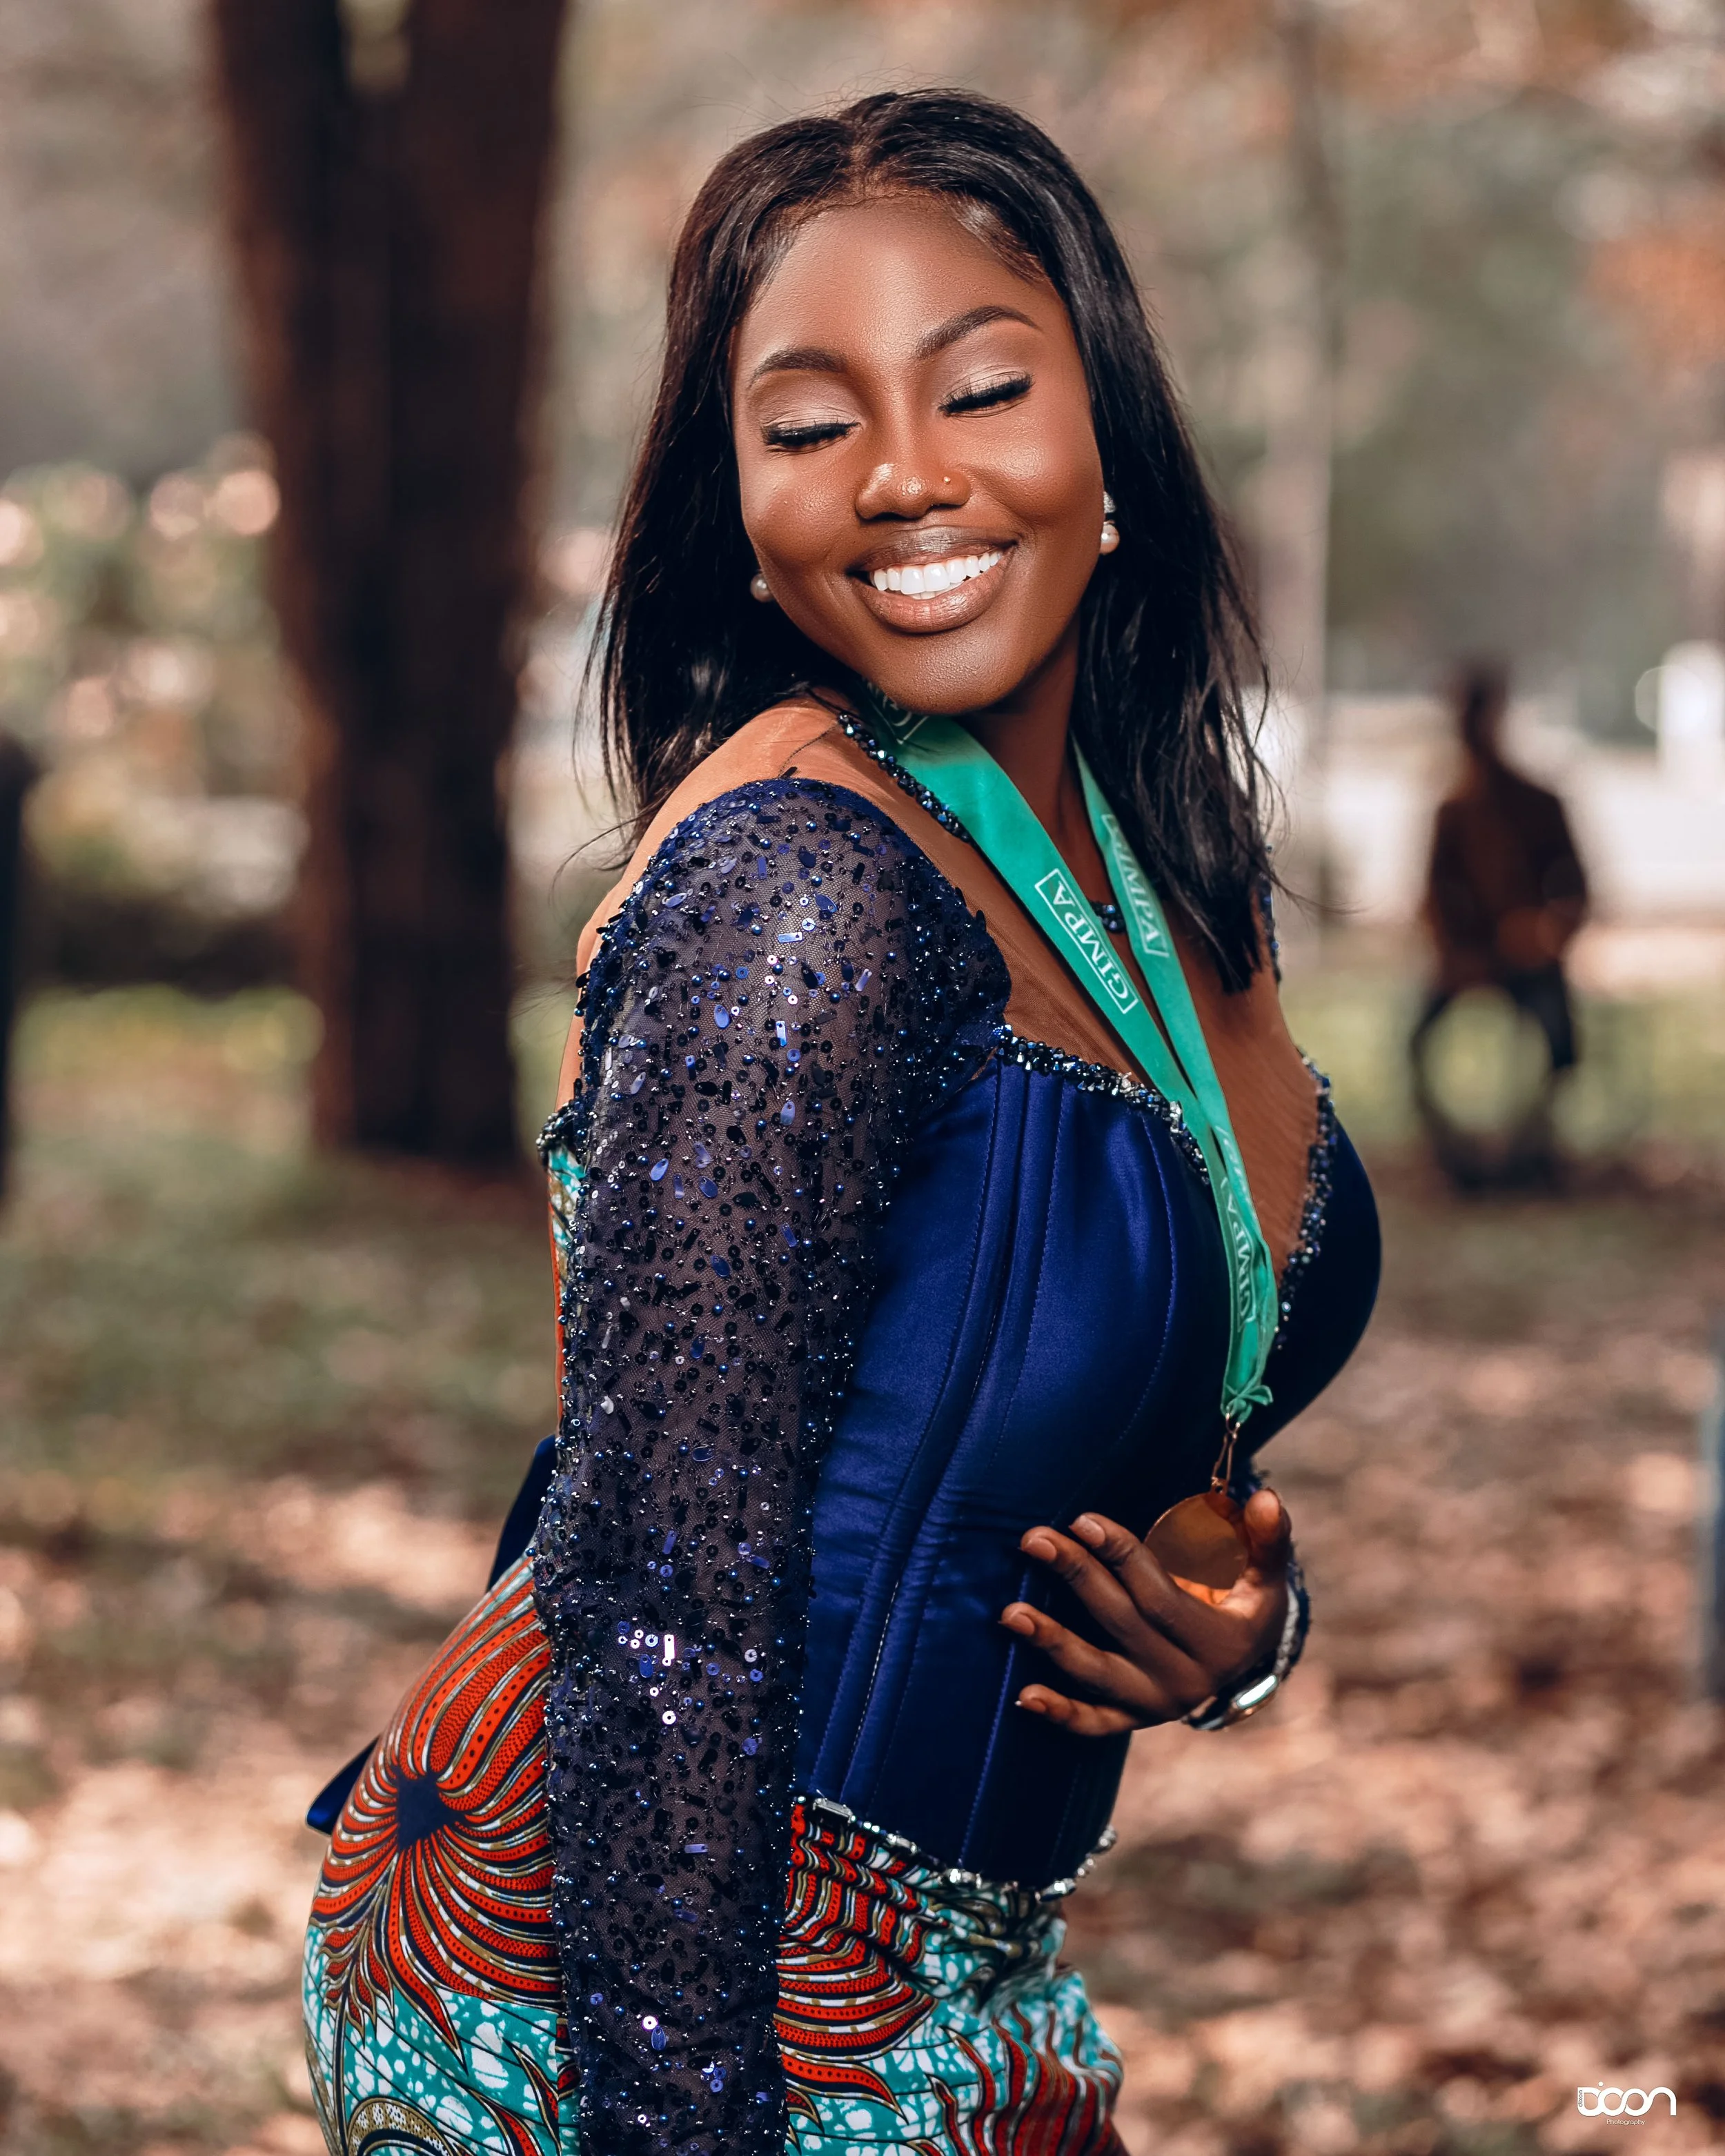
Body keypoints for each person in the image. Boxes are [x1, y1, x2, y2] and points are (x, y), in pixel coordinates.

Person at [302, 90, 1381, 2156]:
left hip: (958, 1945)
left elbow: (1142, 1432)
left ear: (1109, 444)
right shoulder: (800, 879)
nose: (903, 472)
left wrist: (1233, 1633)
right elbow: (655, 1586)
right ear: (741, 519)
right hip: (628, 1941)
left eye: (979, 385)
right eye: (807, 424)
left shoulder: (1156, 887)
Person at [1411, 660, 1589, 1181]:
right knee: (1416, 1041)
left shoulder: (1538, 802)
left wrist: (1546, 932)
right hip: (1468, 957)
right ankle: (1455, 1156)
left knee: (1558, 1037)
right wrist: (1457, 954)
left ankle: (1530, 1147)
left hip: (1527, 957)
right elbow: (1434, 897)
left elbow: (1576, 891)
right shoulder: (1452, 810)